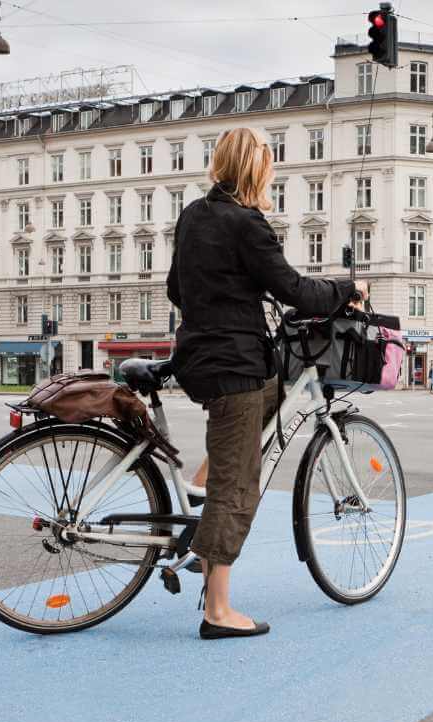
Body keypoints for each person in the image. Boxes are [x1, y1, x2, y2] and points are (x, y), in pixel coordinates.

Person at [167, 127, 367, 640]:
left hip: (199, 355)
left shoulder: (194, 214)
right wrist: (348, 289)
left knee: (275, 391)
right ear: (255, 170)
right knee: (239, 486)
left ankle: (201, 485)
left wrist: (225, 299)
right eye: (268, 166)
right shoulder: (247, 223)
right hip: (232, 362)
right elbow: (294, 289)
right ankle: (218, 610)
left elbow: (175, 288)